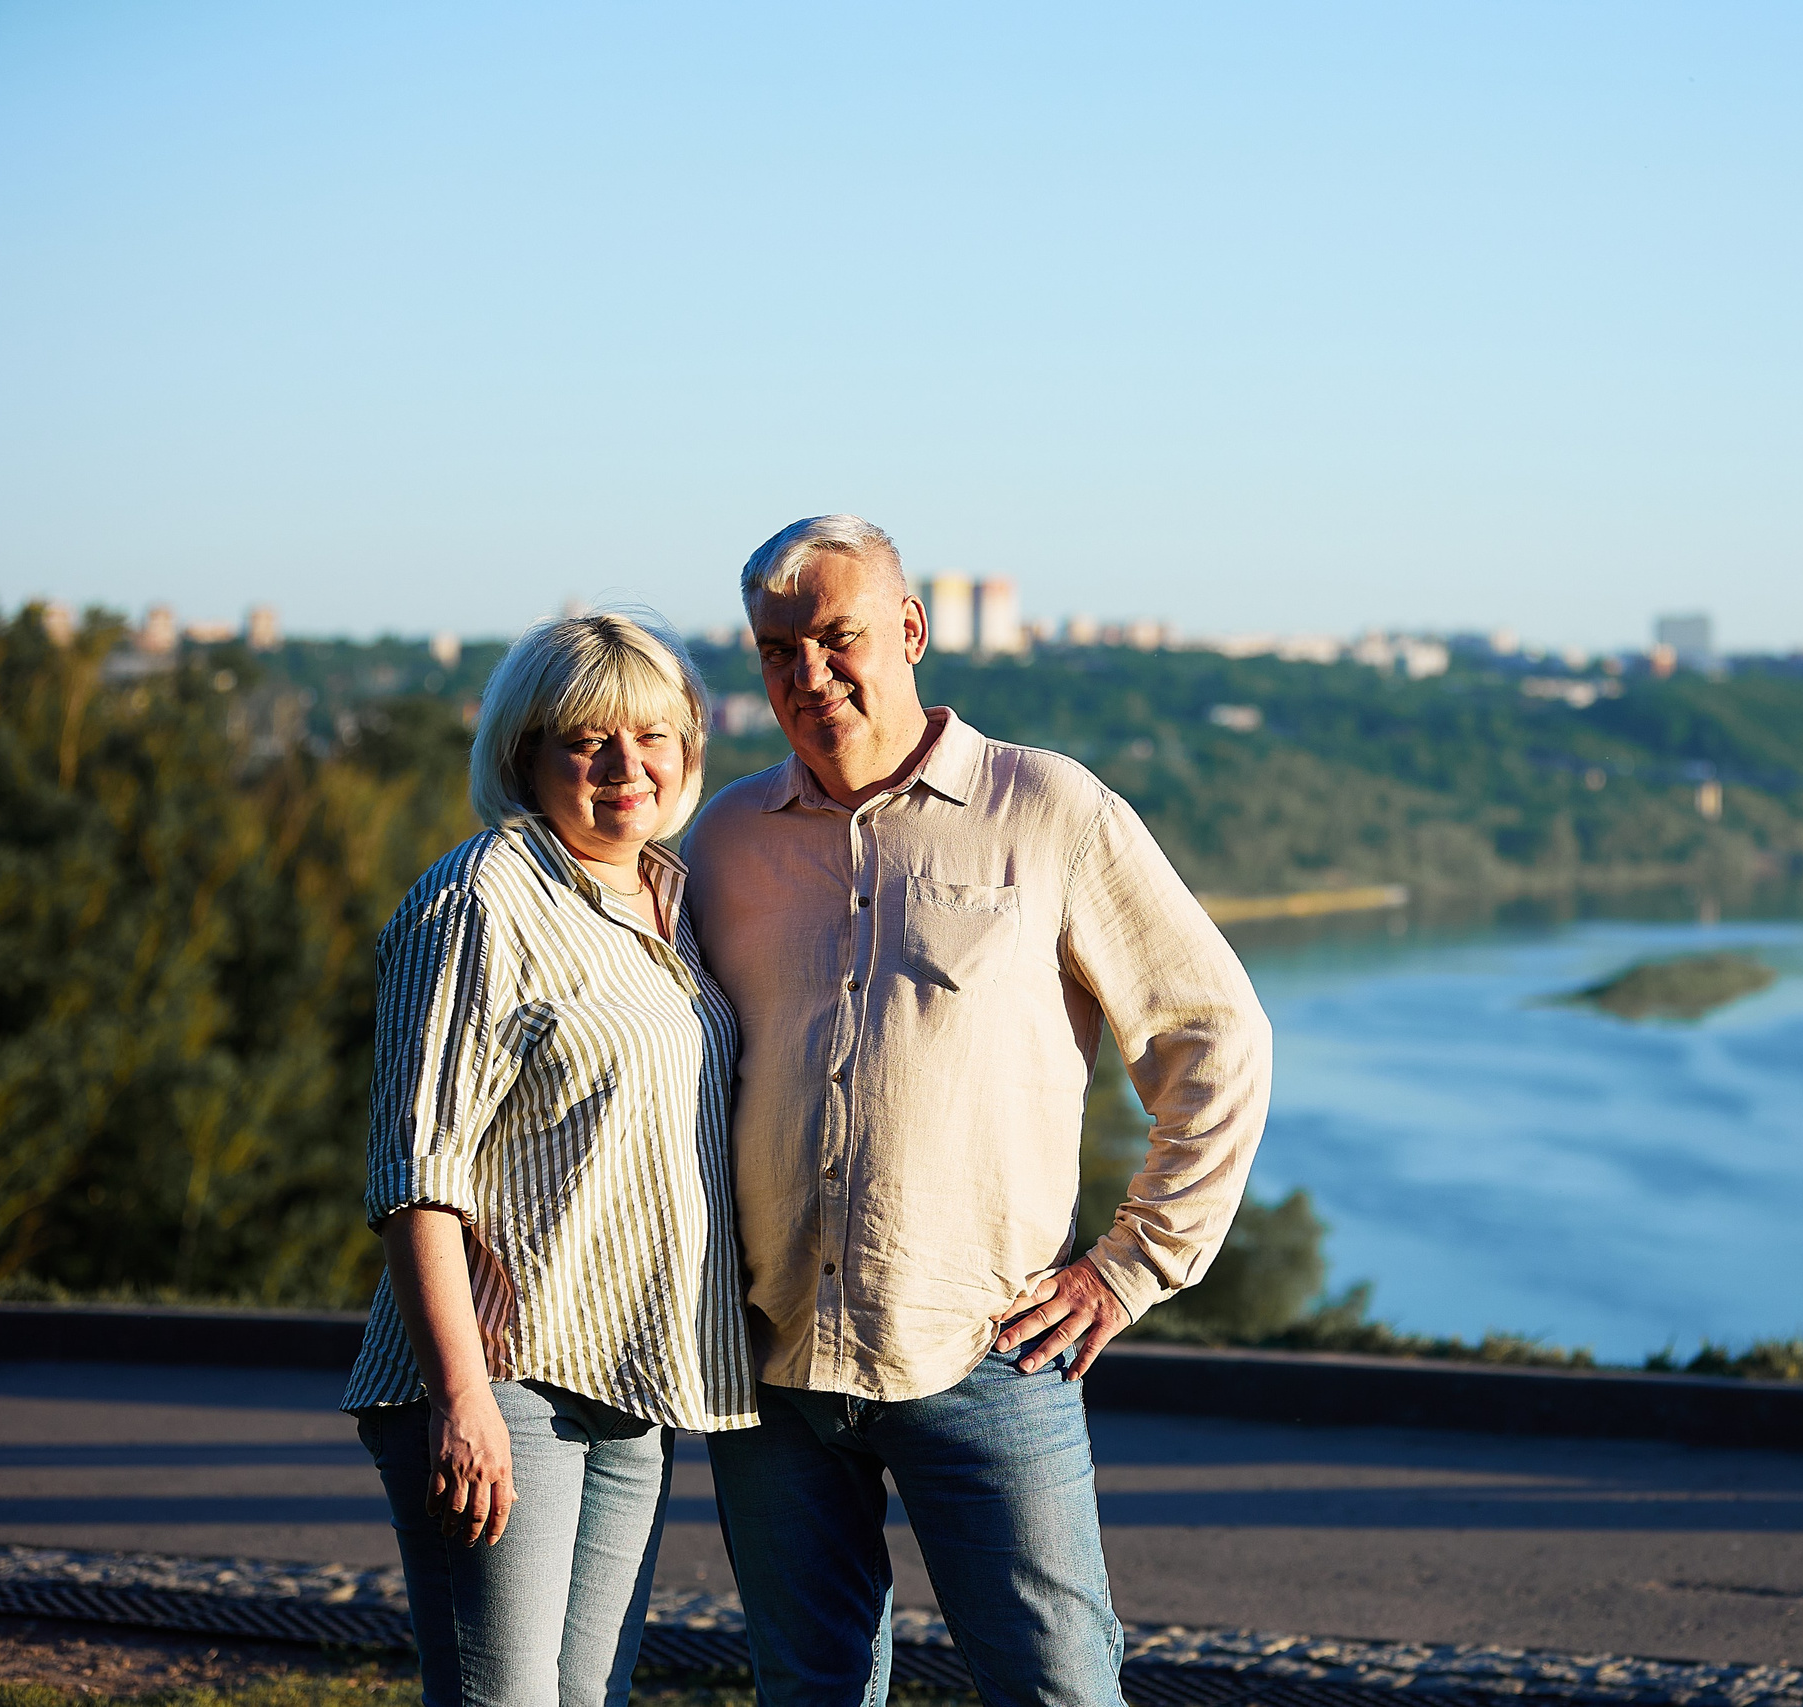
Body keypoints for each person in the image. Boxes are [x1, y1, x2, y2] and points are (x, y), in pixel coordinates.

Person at [684, 514, 1273, 1707]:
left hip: (986, 1355)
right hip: (768, 1366)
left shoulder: (1048, 808)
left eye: (836, 637)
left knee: (1055, 1687)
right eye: (776, 649)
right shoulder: (726, 840)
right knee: (809, 1692)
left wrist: (1131, 1266)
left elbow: (1215, 1035)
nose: (808, 674)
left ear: (909, 631)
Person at [343, 612, 758, 1707]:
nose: (629, 767)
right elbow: (414, 1174)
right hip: (503, 1378)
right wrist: (460, 1399)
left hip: (631, 1377)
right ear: (525, 754)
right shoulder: (480, 898)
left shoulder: (665, 902)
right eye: (587, 741)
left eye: (655, 737)